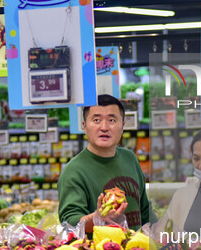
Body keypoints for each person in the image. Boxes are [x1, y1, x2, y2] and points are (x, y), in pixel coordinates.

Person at [58, 94, 153, 232]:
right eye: (96, 120)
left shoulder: (130, 158)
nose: (104, 127)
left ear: (123, 126)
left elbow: (145, 210)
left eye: (112, 120)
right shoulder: (74, 171)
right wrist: (98, 217)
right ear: (84, 126)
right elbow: (70, 224)